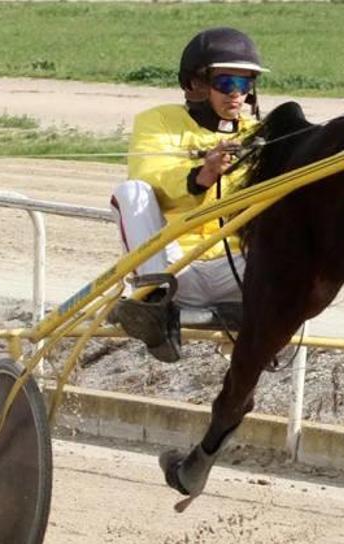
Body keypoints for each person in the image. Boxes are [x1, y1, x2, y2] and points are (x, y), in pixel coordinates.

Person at [108, 27, 267, 363]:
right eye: (227, 84)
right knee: (131, 191)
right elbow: (151, 176)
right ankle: (152, 303)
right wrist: (202, 176)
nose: (237, 95)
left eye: (245, 84)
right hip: (176, 269)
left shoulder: (260, 135)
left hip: (239, 273)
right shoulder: (158, 122)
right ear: (196, 84)